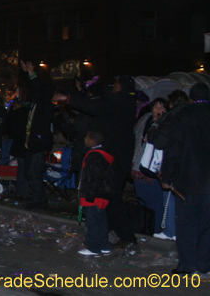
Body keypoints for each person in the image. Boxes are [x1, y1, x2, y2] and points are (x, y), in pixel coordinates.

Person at [55, 74, 138, 248]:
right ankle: (105, 233)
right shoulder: (119, 101)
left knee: (111, 197)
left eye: (115, 83)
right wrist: (79, 90)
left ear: (121, 86)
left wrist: (68, 98)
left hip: (115, 158)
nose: (113, 86)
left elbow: (95, 106)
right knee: (106, 197)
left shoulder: (121, 102)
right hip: (111, 156)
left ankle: (126, 237)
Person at [160, 83, 210, 276]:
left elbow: (173, 150)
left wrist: (166, 176)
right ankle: (204, 263)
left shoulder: (183, 116)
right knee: (207, 225)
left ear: (191, 98)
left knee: (187, 224)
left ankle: (187, 266)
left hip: (187, 180)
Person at [131, 97, 174, 240]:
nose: (159, 110)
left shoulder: (167, 123)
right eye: (156, 107)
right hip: (138, 167)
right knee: (142, 201)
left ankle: (155, 230)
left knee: (155, 203)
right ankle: (145, 228)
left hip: (154, 171)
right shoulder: (145, 119)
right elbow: (135, 135)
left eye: (162, 108)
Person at [19, 60, 55, 210]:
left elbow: (38, 91)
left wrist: (32, 74)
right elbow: (35, 91)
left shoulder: (44, 104)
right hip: (32, 143)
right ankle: (38, 199)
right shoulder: (36, 104)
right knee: (30, 172)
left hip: (38, 144)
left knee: (33, 172)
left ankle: (40, 200)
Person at [78, 130, 115, 257]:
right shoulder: (102, 155)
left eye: (87, 138)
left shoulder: (95, 156)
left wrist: (89, 194)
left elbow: (94, 177)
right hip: (100, 195)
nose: (84, 139)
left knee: (92, 222)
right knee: (101, 221)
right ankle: (104, 245)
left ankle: (94, 247)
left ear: (92, 141)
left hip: (94, 196)